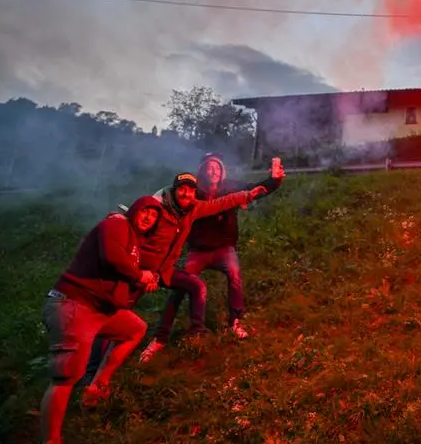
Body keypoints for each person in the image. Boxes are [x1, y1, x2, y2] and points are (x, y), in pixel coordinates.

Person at [39, 196, 162, 444]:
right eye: (145, 211)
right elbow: (113, 259)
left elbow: (118, 280)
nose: (149, 217)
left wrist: (143, 283)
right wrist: (140, 276)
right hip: (74, 304)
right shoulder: (117, 225)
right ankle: (51, 439)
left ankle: (97, 387)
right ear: (135, 210)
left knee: (134, 329)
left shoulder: (133, 244)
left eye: (154, 216)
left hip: (98, 309)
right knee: (65, 378)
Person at [141, 153, 284, 360]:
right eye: (209, 168)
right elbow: (161, 201)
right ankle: (161, 337)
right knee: (182, 285)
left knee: (234, 274)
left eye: (217, 167)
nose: (214, 171)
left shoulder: (230, 186)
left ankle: (235, 322)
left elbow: (253, 190)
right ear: (202, 172)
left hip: (224, 248)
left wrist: (274, 181)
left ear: (222, 170)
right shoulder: (193, 194)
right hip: (198, 250)